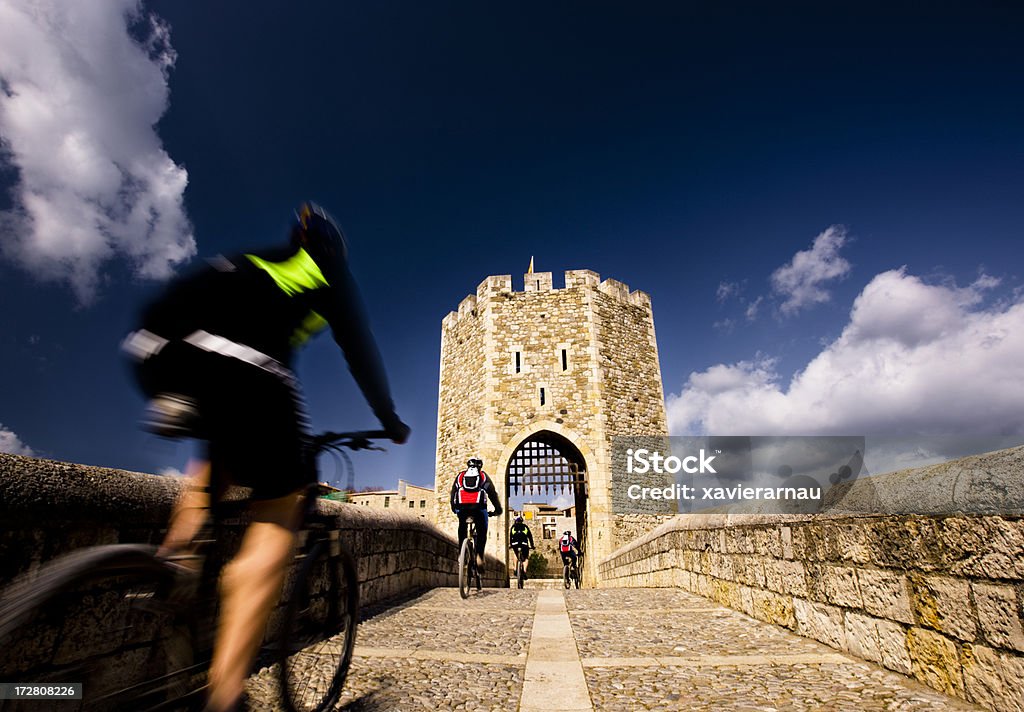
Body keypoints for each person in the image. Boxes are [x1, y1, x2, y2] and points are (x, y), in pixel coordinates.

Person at [123, 202, 409, 712]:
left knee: (220, 450)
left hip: (162, 351)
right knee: (281, 506)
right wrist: (390, 421)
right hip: (248, 371)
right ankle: (226, 692)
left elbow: (174, 299)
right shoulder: (328, 275)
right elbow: (361, 354)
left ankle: (177, 559)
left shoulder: (251, 260)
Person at [449, 457, 502, 566]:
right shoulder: (483, 477)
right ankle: (479, 556)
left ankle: (461, 554)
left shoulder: (460, 476)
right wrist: (498, 509)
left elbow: (453, 492)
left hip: (462, 508)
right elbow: (492, 493)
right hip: (478, 508)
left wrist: (454, 507)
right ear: (480, 466)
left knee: (462, 526)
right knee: (482, 529)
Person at [508, 515, 534, 579]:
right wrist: (532, 545)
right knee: (526, 557)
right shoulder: (525, 527)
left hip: (515, 544)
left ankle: (515, 569)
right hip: (524, 544)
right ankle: (524, 571)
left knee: (515, 553)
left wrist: (511, 545)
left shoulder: (513, 527)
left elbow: (511, 536)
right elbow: (530, 537)